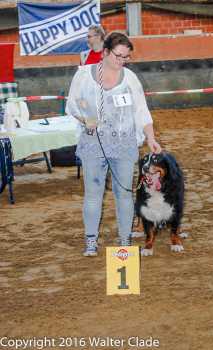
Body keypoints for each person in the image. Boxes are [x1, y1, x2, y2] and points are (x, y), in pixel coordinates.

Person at [66, 32, 162, 256]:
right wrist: (85, 119)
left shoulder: (130, 79)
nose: (122, 61)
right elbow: (73, 105)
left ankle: (125, 240)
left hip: (124, 144)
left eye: (126, 57)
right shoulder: (82, 76)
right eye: (118, 56)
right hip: (93, 144)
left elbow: (141, 111)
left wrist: (151, 137)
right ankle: (91, 240)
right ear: (106, 52)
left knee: (124, 193)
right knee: (93, 194)